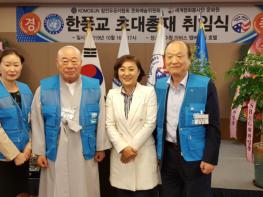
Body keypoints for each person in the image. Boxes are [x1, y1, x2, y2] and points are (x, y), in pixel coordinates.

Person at [31, 45, 111, 197]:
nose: (69, 65)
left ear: (81, 62)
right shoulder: (44, 88)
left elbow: (102, 118)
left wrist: (100, 147)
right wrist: (39, 152)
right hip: (56, 143)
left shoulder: (94, 87)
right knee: (56, 184)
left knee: (84, 185)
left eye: (74, 61)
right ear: (57, 63)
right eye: (64, 61)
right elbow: (37, 121)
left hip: (84, 143)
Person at [155, 41, 221, 197]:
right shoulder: (159, 86)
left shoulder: (204, 85)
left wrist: (210, 158)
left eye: (179, 56)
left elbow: (213, 125)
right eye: (169, 56)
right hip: (168, 155)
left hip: (196, 157)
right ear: (164, 60)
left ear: (189, 59)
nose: (174, 61)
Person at [106, 55, 159, 197]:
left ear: (139, 72)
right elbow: (109, 124)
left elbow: (150, 123)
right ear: (117, 73)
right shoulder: (112, 94)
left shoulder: (148, 92)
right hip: (120, 154)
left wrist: (132, 148)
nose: (126, 73)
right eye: (122, 69)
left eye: (131, 69)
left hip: (142, 153)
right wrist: (123, 148)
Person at [0, 48, 32, 197]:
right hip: (4, 158)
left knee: (23, 193)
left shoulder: (25, 89)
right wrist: (14, 155)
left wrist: (28, 148)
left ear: (21, 66)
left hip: (24, 155)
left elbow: (33, 121)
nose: (12, 69)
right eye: (7, 65)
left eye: (16, 64)